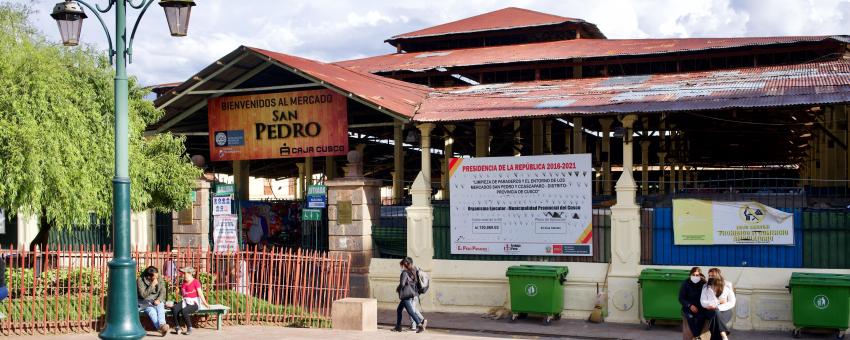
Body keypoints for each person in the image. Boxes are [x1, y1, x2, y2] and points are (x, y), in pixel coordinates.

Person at [171, 266, 210, 335]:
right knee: (175, 308)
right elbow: (184, 295)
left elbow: (200, 293)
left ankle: (189, 328)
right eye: (183, 274)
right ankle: (177, 327)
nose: (183, 275)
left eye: (184, 274)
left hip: (194, 303)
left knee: (184, 311)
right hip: (185, 301)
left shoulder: (196, 282)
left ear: (190, 273)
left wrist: (205, 303)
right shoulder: (184, 283)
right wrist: (178, 292)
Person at [700, 268, 736, 340]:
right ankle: (723, 334)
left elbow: (732, 302)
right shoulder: (705, 286)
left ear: (718, 275)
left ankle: (722, 334)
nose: (710, 277)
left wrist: (718, 307)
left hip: (725, 311)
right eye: (709, 276)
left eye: (712, 275)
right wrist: (718, 302)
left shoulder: (727, 285)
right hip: (710, 311)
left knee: (716, 321)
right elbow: (703, 302)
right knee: (715, 313)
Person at [393, 257, 426, 333]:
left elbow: (402, 284)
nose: (401, 267)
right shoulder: (413, 271)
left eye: (402, 265)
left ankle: (420, 325)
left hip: (405, 295)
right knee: (399, 310)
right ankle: (398, 326)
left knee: (410, 311)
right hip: (411, 293)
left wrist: (398, 288)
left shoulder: (405, 273)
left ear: (405, 264)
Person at [137, 266, 169, 336]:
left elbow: (163, 290)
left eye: (157, 275)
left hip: (155, 300)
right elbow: (143, 295)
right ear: (149, 276)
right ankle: (162, 328)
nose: (157, 278)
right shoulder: (140, 280)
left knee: (160, 304)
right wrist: (152, 285)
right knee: (152, 311)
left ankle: (161, 325)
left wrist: (159, 299)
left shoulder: (158, 277)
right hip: (144, 302)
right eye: (155, 277)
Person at [679, 266, 706, 340]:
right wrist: (690, 305)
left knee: (701, 317)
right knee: (690, 317)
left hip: (700, 307)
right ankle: (697, 336)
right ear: (690, 275)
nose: (695, 276)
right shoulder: (685, 283)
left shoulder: (703, 283)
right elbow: (681, 298)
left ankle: (696, 337)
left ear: (700, 275)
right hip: (688, 307)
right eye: (693, 274)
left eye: (697, 275)